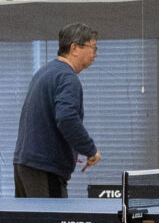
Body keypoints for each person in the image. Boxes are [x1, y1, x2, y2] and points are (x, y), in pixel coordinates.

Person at [13, 24, 99, 197]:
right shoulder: (67, 77)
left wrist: (68, 149)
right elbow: (67, 118)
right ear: (74, 48)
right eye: (93, 48)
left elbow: (46, 121)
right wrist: (90, 150)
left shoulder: (45, 72)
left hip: (26, 165)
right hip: (45, 168)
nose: (95, 54)